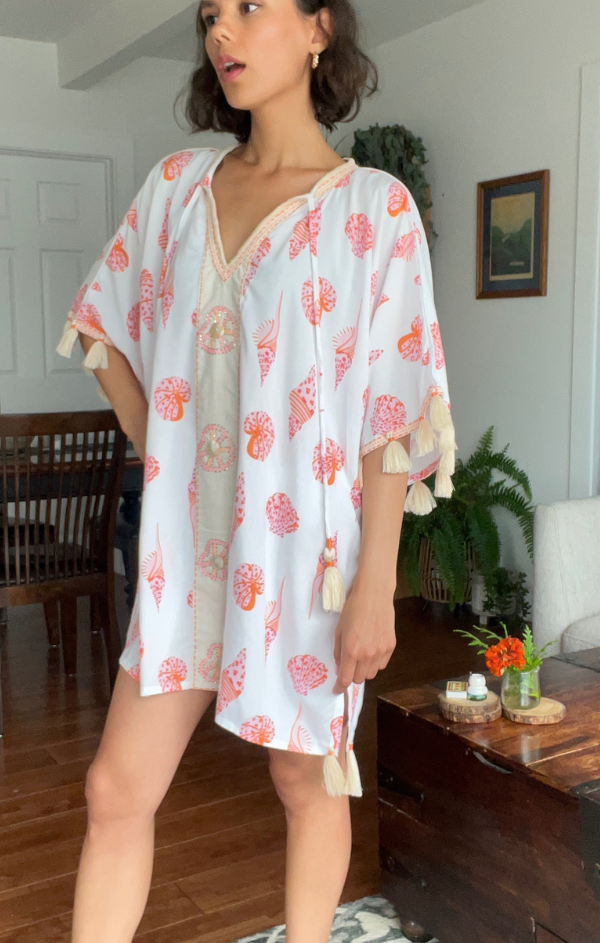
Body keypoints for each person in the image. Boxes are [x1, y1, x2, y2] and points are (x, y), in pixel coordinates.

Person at [56, 0, 457, 939]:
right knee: (115, 788)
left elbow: (391, 412)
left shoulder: (374, 210)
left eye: (248, 8)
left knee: (303, 779)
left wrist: (377, 583)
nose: (221, 33)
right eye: (209, 16)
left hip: (306, 559)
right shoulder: (175, 188)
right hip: (185, 560)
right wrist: (166, 450)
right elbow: (99, 322)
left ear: (320, 29)